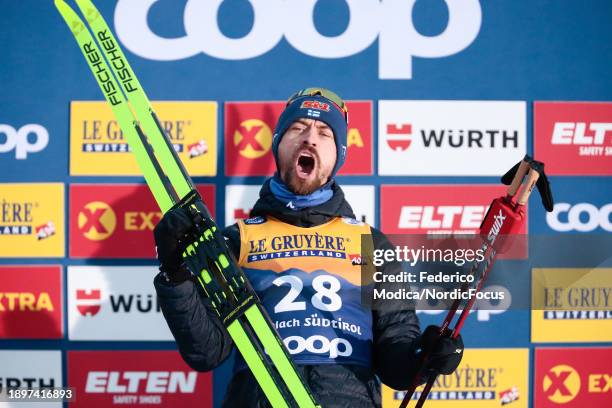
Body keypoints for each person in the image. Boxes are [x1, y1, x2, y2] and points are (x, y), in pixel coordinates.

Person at [153, 88, 464, 407]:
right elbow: (206, 352)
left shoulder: (369, 243)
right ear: (278, 144)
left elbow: (396, 362)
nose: (309, 139)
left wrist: (425, 357)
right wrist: (175, 275)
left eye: (324, 132)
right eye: (298, 128)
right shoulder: (236, 240)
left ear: (338, 153)